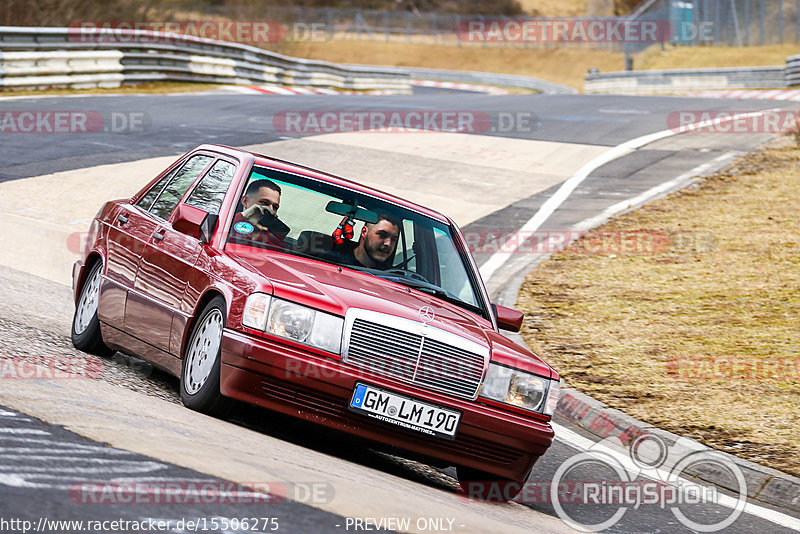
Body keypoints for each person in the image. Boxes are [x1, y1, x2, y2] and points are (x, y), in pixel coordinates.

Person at [231, 179, 287, 244]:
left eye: (275, 207)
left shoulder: (272, 242)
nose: (270, 209)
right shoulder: (227, 224)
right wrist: (243, 217)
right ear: (245, 201)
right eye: (264, 203)